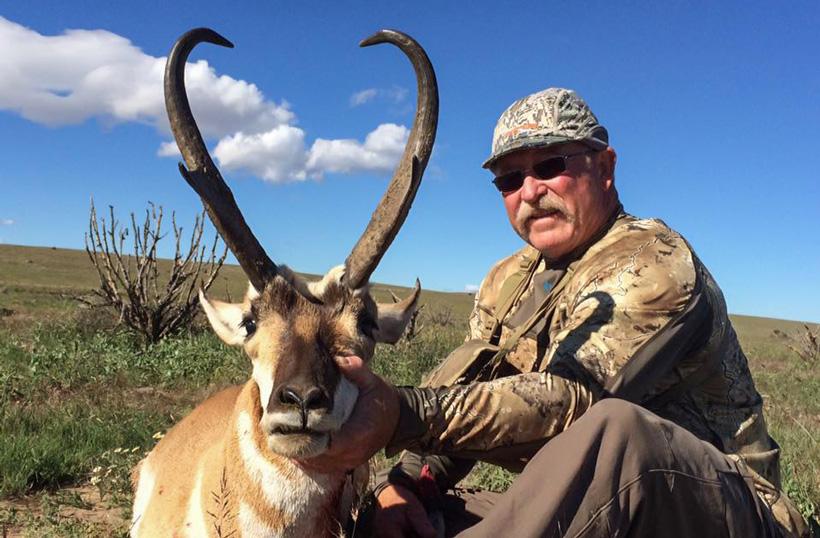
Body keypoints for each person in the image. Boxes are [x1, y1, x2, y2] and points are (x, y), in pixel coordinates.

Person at [303, 88, 810, 537]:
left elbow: (575, 400)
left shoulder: (654, 263)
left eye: (550, 166)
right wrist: (409, 483)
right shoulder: (506, 280)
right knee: (408, 519)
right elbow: (471, 393)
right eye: (509, 180)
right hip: (606, 504)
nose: (530, 191)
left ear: (605, 168)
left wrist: (400, 415)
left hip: (730, 510)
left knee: (618, 433)